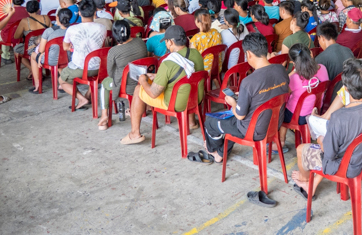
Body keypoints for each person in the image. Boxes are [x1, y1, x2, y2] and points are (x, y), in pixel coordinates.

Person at [292, 58, 362, 199]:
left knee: (301, 149)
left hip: (346, 167)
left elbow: (329, 154)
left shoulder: (340, 117)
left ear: (346, 89)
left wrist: (320, 138)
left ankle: (305, 182)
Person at [197, 33, 290, 163]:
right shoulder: (281, 70)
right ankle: (220, 151)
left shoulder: (249, 81)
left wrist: (233, 103)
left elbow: (240, 116)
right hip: (274, 125)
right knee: (230, 123)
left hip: (252, 130)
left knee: (211, 122)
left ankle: (213, 151)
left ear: (249, 54)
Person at [121, 25, 204, 145]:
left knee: (139, 89)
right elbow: (185, 74)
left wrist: (143, 80)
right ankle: (192, 122)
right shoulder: (196, 54)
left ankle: (135, 134)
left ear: (170, 42)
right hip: (196, 98)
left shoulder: (168, 63)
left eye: (166, 42)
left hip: (177, 103)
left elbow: (153, 93)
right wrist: (157, 76)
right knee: (183, 85)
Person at [97, 20, 148, 130]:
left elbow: (110, 73)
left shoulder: (114, 51)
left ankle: (104, 114)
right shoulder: (140, 42)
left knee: (105, 84)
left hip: (127, 86)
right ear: (129, 31)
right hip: (143, 82)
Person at [59, 0, 107, 110]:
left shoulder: (72, 29)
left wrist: (75, 46)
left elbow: (65, 47)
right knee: (94, 78)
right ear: (95, 13)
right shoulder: (102, 28)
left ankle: (81, 98)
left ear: (79, 13)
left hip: (80, 68)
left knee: (61, 80)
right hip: (100, 68)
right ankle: (88, 95)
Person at [279, 44, 329, 148]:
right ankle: (304, 136)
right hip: (315, 111)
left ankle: (281, 141)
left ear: (293, 62)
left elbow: (284, 92)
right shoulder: (323, 68)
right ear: (310, 54)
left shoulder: (294, 78)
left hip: (298, 117)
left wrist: (293, 71)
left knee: (281, 112)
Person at [29, 7, 72, 93]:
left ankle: (37, 86)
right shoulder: (73, 29)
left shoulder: (49, 31)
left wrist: (41, 54)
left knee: (33, 55)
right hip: (71, 58)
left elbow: (41, 50)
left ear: (57, 18)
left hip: (52, 60)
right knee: (61, 56)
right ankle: (63, 83)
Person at [13, 0, 52, 80]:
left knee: (17, 50)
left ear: (26, 9)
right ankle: (35, 71)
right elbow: (51, 33)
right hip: (45, 46)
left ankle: (32, 70)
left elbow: (16, 36)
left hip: (30, 49)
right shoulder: (46, 18)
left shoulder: (24, 21)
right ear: (38, 9)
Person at [315, 22, 354, 94]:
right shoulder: (348, 50)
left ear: (322, 38)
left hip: (332, 96)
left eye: (318, 39)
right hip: (351, 91)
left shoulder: (320, 58)